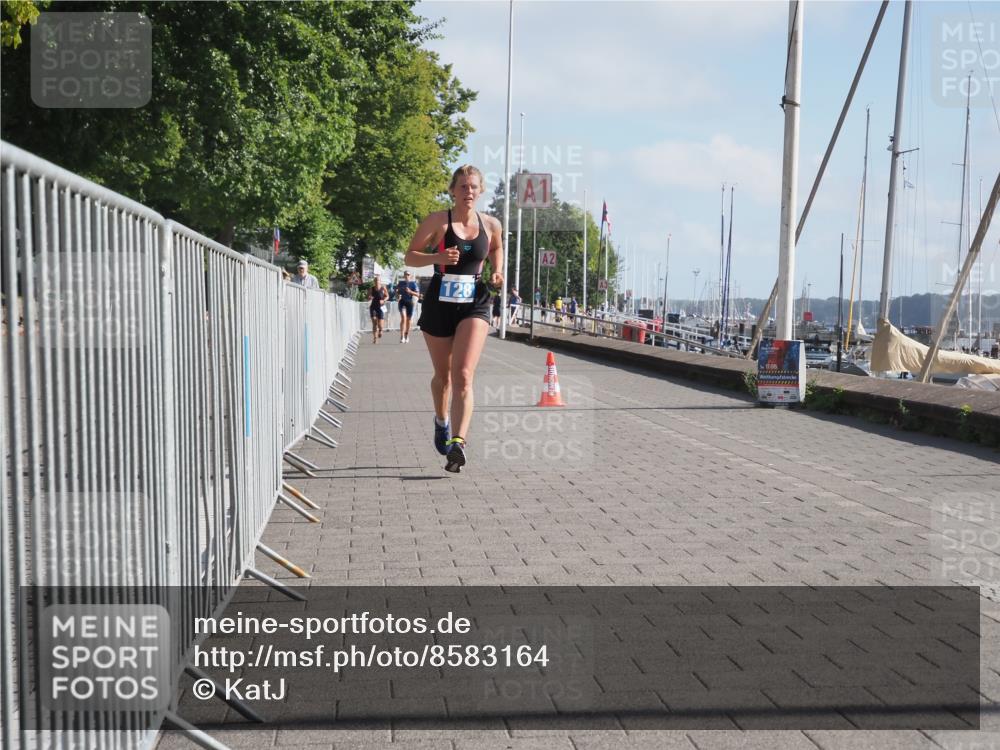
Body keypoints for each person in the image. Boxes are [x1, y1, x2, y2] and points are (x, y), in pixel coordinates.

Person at [404, 165, 503, 473]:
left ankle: (458, 442)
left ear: (480, 190)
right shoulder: (437, 221)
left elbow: (497, 247)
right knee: (443, 377)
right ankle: (441, 420)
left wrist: (497, 271)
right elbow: (410, 256)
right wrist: (437, 257)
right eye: (462, 186)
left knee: (462, 374)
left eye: (473, 186)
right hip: (439, 303)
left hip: (475, 301)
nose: (468, 191)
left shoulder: (491, 223)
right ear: (453, 190)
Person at [396, 270, 421, 343]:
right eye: (405, 274)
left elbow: (418, 294)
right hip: (402, 302)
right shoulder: (400, 283)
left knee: (408, 320)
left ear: (410, 276)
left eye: (408, 274)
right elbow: (396, 293)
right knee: (403, 318)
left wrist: (410, 292)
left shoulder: (413, 284)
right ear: (404, 276)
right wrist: (398, 296)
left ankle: (407, 335)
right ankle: (402, 336)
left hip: (409, 303)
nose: (407, 276)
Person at [368, 274, 388, 344]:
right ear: (374, 281)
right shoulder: (372, 288)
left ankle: (381, 330)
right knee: (374, 322)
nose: (377, 281)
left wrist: (384, 300)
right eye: (376, 280)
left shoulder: (383, 288)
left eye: (378, 280)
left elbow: (387, 296)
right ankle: (375, 338)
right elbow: (368, 296)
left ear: (380, 281)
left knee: (380, 325)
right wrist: (370, 297)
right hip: (373, 306)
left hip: (381, 307)